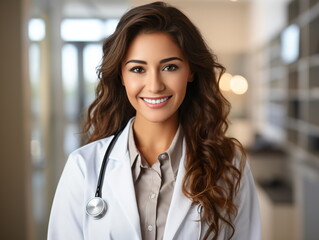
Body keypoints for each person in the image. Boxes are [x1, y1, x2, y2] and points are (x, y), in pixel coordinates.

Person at [48, 1, 261, 240]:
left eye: (170, 67)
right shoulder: (83, 167)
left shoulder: (229, 163)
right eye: (138, 69)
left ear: (190, 71)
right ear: (121, 75)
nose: (155, 86)